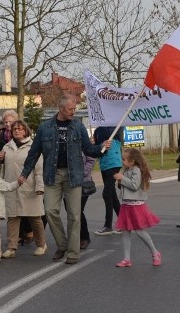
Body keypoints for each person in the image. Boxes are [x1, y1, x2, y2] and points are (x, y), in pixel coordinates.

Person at [19, 94, 111, 265]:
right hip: (52, 175)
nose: (73, 112)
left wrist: (101, 148)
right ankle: (62, 245)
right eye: (70, 109)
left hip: (73, 175)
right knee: (50, 211)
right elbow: (34, 153)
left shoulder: (78, 126)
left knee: (74, 215)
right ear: (61, 108)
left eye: (74, 109)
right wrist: (25, 173)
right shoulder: (45, 128)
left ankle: (73, 253)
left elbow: (89, 149)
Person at [0, 120, 47, 258]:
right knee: (13, 218)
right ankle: (11, 248)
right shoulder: (7, 147)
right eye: (14, 129)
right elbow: (0, 169)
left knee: (35, 218)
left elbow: (39, 170)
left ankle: (41, 244)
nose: (17, 131)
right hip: (12, 188)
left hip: (30, 188)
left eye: (20, 129)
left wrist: (39, 186)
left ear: (26, 131)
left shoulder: (33, 147)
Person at [113, 148, 161, 267]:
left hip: (136, 205)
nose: (122, 161)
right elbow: (123, 187)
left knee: (139, 231)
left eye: (124, 159)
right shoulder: (125, 169)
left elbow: (134, 185)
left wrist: (122, 179)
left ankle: (155, 253)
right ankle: (126, 258)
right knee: (125, 231)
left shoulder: (137, 170)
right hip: (126, 204)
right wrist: (119, 181)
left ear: (132, 161)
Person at [93, 127, 122, 236]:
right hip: (104, 164)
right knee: (112, 194)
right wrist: (94, 143)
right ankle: (124, 222)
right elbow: (97, 147)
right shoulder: (98, 129)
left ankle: (108, 225)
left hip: (113, 163)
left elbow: (111, 135)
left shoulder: (115, 125)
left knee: (107, 193)